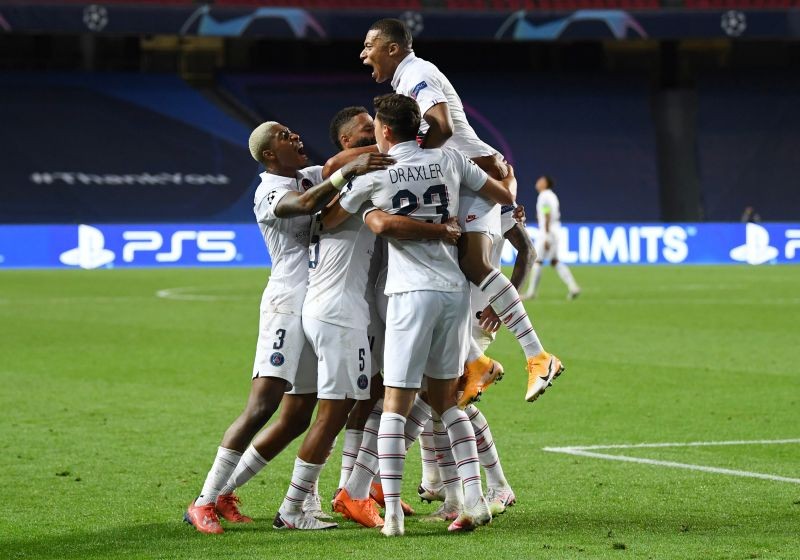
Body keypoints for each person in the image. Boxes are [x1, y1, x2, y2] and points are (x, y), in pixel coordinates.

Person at [183, 121, 393, 534]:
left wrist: (394, 146)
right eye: (284, 136)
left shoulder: (305, 174)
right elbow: (304, 204)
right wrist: (344, 174)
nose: (296, 136)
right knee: (262, 406)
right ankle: (204, 501)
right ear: (268, 155)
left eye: (294, 132)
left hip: (313, 305)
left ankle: (236, 494)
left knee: (299, 415)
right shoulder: (269, 191)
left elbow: (335, 162)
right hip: (285, 304)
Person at [337, 93, 517, 536]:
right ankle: (475, 501)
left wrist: (362, 193)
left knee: (396, 406)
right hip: (454, 293)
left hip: (408, 293)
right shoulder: (450, 160)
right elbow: (501, 195)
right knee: (447, 401)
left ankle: (393, 514)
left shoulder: (378, 171)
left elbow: (329, 215)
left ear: (383, 130)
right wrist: (508, 184)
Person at [360, 18, 563, 403]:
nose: (362, 53)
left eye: (369, 45)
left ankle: (537, 356)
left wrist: (407, 156)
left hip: (477, 174)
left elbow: (442, 125)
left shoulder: (417, 73)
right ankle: (475, 363)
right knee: (452, 276)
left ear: (392, 48)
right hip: (468, 177)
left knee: (472, 264)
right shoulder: (406, 81)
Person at [522, 175, 580, 301]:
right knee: (554, 261)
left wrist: (546, 236)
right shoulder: (552, 195)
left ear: (545, 184)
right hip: (556, 229)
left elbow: (547, 213)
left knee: (537, 261)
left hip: (547, 231)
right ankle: (573, 287)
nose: (537, 182)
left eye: (540, 180)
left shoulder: (544, 196)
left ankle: (531, 293)